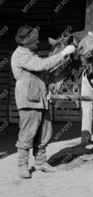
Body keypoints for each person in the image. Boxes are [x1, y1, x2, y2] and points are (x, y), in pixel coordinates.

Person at [11, 25, 75, 179]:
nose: (38, 42)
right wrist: (63, 53)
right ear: (27, 42)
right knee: (28, 132)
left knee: (45, 131)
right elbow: (42, 65)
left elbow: (44, 71)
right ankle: (22, 165)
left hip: (39, 98)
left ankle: (40, 162)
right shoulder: (21, 55)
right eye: (35, 41)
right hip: (28, 99)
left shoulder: (30, 54)